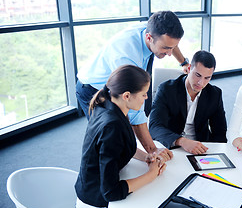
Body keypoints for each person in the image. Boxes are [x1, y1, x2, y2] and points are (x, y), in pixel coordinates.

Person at [76, 10, 188, 158]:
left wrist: (183, 62)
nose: (169, 53)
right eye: (166, 48)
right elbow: (136, 114)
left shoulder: (152, 28)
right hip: (92, 88)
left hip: (119, 81)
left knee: (135, 117)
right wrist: (153, 150)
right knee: (111, 135)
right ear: (149, 38)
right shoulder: (126, 57)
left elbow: (170, 42)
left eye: (172, 48)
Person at [75, 65, 166, 208]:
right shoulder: (112, 126)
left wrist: (145, 156)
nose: (146, 97)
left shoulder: (108, 105)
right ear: (126, 96)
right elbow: (111, 192)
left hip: (90, 191)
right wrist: (151, 175)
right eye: (143, 94)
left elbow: (117, 147)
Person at [149, 50, 227, 154]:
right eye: (198, 75)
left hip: (200, 148)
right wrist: (181, 141)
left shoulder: (214, 94)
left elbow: (220, 132)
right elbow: (155, 127)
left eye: (207, 78)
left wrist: (216, 154)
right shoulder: (167, 89)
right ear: (189, 68)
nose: (201, 83)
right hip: (171, 146)